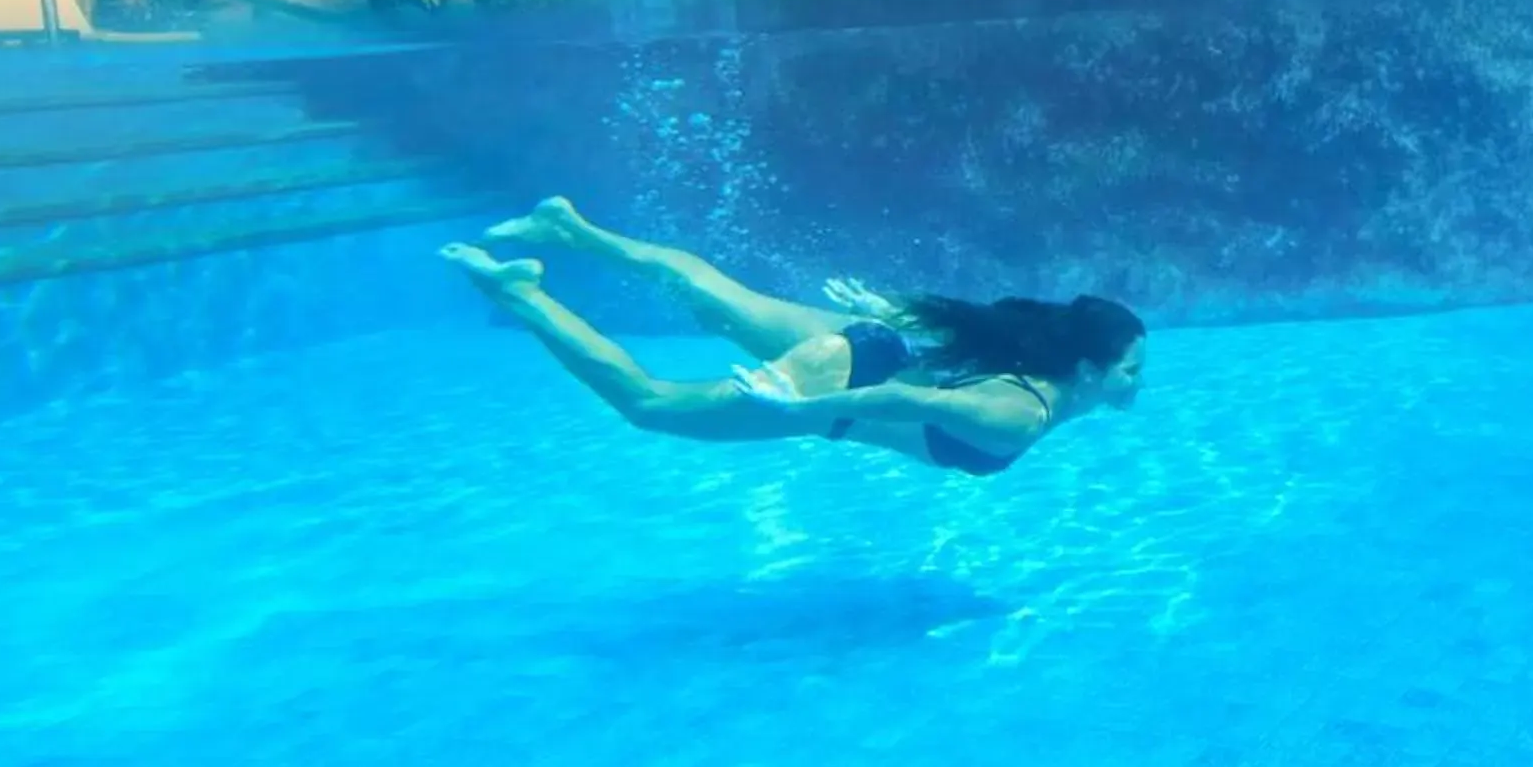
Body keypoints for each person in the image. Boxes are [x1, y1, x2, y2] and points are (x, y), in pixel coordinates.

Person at [441, 197, 1145, 476]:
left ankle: (574, 230)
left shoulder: (1036, 353)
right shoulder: (1024, 412)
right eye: (1128, 370)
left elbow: (947, 352)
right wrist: (799, 410)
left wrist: (885, 311)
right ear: (1088, 367)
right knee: (649, 406)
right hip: (843, 384)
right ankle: (519, 292)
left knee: (721, 300)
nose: (1136, 382)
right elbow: (907, 406)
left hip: (871, 345)